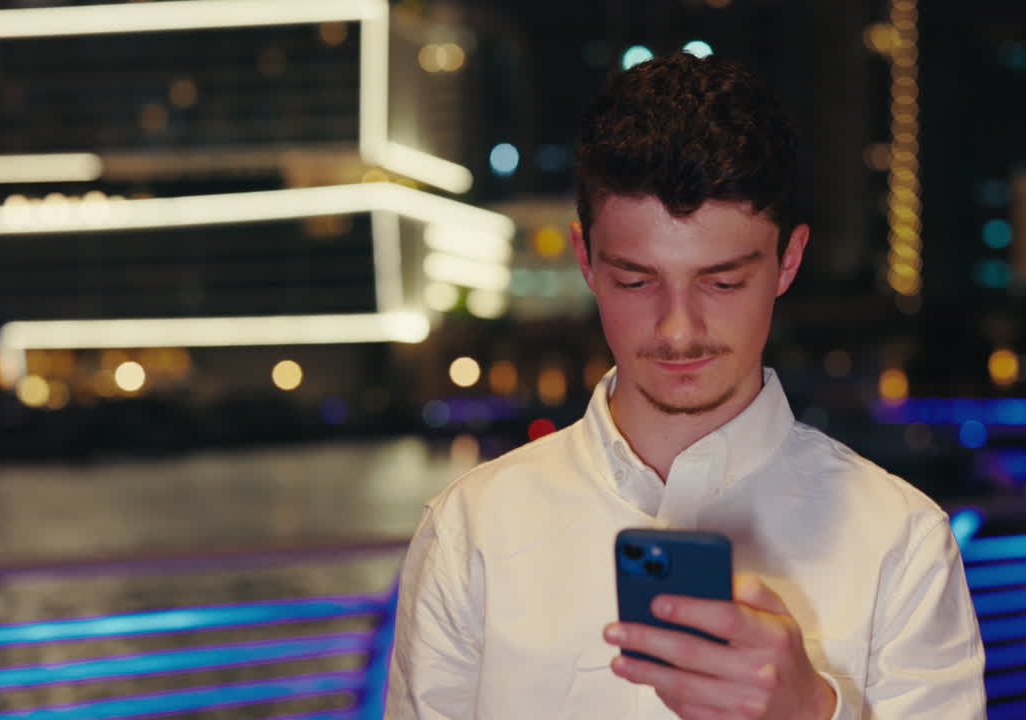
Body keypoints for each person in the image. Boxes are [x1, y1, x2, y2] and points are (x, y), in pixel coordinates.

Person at [387, 52, 986, 719]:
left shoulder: (902, 544)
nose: (677, 329)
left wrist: (812, 713)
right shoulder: (472, 528)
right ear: (585, 259)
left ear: (788, 261)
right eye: (636, 281)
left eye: (722, 282)